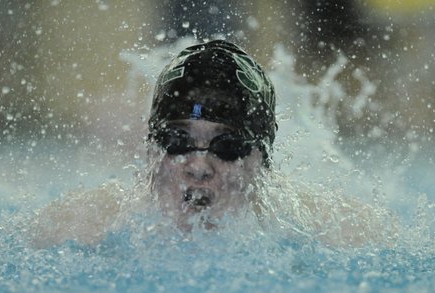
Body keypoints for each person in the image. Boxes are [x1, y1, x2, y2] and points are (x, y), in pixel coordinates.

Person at [29, 40, 396, 248]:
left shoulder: (328, 232)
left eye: (228, 147)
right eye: (177, 141)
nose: (199, 165)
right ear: (152, 150)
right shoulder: (82, 226)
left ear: (261, 160)